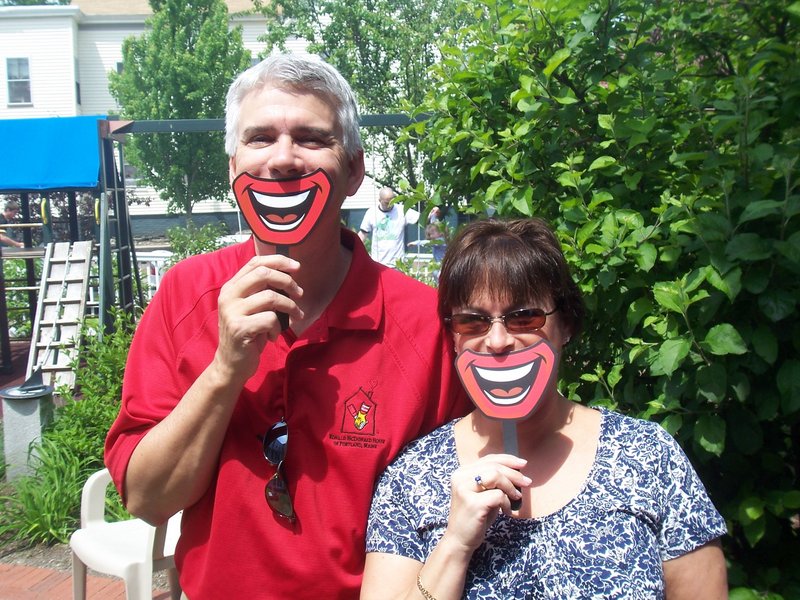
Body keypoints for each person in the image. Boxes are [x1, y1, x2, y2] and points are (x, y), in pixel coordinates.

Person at [104, 54, 469, 599]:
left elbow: (454, 511)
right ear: (233, 167)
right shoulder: (185, 294)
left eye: (310, 138)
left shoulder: (423, 322)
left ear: (353, 170)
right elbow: (148, 498)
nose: (283, 159)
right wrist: (226, 368)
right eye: (259, 138)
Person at [362, 218, 728, 599]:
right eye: (473, 321)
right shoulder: (411, 478)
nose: (498, 340)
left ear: (565, 323)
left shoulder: (649, 456)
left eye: (525, 317)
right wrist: (454, 544)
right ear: (453, 336)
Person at [358, 186, 419, 266]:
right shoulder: (371, 213)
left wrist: (433, 212)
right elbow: (363, 234)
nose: (390, 205)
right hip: (378, 264)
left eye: (392, 202)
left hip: (397, 265)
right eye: (387, 203)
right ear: (380, 200)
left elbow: (423, 219)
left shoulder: (402, 210)